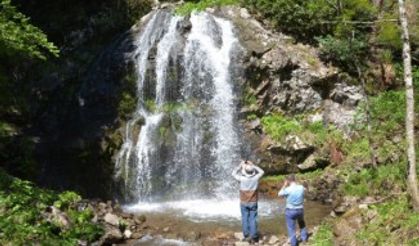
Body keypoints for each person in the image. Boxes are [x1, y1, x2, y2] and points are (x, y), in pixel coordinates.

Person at [232, 160, 264, 244]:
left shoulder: (242, 178)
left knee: (245, 218)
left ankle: (246, 235)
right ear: (252, 171)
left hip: (243, 202)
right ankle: (254, 236)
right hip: (253, 202)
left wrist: (240, 166)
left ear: (244, 171)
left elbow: (233, 173)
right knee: (253, 219)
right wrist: (253, 165)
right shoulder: (255, 178)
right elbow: (262, 172)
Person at [278, 174, 308, 246]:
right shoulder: (301, 187)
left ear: (288, 181)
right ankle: (304, 239)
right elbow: (306, 189)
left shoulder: (287, 189)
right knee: (302, 223)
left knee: (291, 228)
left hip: (290, 211)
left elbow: (279, 194)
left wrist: (284, 185)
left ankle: (294, 244)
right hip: (300, 209)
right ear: (295, 179)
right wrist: (306, 184)